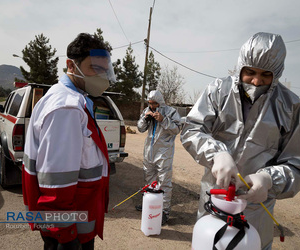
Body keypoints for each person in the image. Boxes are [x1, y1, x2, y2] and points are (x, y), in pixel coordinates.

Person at [180, 32, 300, 249]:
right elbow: (191, 129)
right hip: (214, 200)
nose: (256, 81)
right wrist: (216, 154)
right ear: (240, 66)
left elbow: (299, 168)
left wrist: (269, 179)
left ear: (277, 73)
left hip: (256, 209)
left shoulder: (291, 107)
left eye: (265, 75)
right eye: (250, 72)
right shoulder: (218, 91)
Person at [22, 33, 116, 250]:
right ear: (71, 66)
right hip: (70, 232)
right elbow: (56, 182)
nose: (102, 76)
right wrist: (66, 235)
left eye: (105, 70)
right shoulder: (67, 108)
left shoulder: (73, 100)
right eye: (95, 68)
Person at [136, 90, 182, 225]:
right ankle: (148, 204)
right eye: (150, 103)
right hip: (149, 151)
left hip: (164, 152)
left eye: (154, 103)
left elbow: (177, 129)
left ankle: (164, 211)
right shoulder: (147, 110)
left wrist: (163, 120)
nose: (152, 106)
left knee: (164, 182)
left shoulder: (171, 112)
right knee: (149, 179)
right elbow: (139, 128)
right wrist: (145, 119)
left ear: (160, 102)